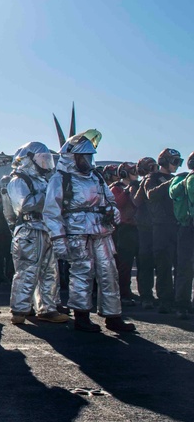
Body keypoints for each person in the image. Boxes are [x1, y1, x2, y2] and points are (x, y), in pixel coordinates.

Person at [43, 134, 135, 333]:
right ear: (72, 157)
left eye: (89, 157)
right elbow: (51, 211)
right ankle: (81, 316)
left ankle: (113, 316)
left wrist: (114, 212)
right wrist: (58, 239)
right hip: (77, 233)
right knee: (82, 273)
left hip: (101, 230)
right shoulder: (60, 179)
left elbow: (109, 200)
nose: (88, 161)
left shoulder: (96, 177)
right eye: (84, 156)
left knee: (109, 273)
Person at [7, 142, 68, 325]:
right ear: (29, 160)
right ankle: (19, 309)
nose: (46, 163)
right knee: (27, 270)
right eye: (43, 159)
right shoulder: (18, 180)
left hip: (45, 228)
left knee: (50, 271)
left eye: (47, 159)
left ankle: (47, 308)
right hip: (29, 230)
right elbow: (23, 204)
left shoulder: (43, 180)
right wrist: (49, 196)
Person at [140, 148, 181, 314]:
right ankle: (164, 299)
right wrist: (170, 183)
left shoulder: (177, 178)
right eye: (175, 162)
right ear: (164, 161)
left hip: (177, 225)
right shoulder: (152, 178)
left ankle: (178, 299)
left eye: (179, 162)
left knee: (180, 264)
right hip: (159, 226)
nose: (177, 165)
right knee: (163, 265)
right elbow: (150, 195)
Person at [111, 162, 140, 305]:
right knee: (124, 262)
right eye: (132, 171)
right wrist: (127, 191)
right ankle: (122, 292)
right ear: (123, 173)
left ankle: (128, 290)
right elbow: (117, 203)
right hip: (122, 228)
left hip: (136, 227)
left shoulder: (137, 186)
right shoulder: (115, 188)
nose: (136, 173)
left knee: (132, 261)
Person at [169, 152, 194, 320]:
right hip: (187, 228)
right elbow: (172, 193)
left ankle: (184, 305)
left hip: (187, 229)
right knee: (184, 268)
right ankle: (182, 304)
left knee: (184, 268)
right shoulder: (183, 179)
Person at [134, 156, 158, 308]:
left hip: (157, 226)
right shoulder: (138, 184)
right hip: (144, 228)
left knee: (160, 262)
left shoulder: (159, 180)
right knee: (145, 262)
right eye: (150, 167)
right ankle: (146, 295)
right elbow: (136, 201)